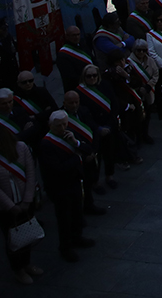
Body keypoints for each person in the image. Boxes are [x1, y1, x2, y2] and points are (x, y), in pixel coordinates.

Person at [0, 125, 41, 284]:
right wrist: (11, 206)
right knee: (12, 239)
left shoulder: (22, 148)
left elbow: (31, 173)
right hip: (5, 208)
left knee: (27, 234)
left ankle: (27, 263)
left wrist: (27, 200)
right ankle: (17, 269)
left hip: (26, 201)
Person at [38, 110, 94, 261]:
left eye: (64, 124)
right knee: (64, 218)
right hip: (60, 186)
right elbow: (58, 168)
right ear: (51, 125)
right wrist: (77, 157)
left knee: (77, 212)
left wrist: (76, 143)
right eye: (58, 125)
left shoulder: (69, 135)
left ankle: (77, 237)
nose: (62, 128)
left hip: (74, 181)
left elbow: (88, 149)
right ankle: (65, 247)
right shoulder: (47, 143)